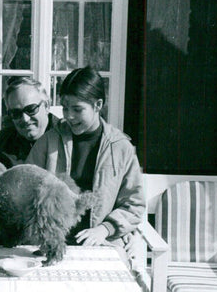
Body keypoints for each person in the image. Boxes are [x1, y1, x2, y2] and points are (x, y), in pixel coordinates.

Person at [25, 66, 146, 268]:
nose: (69, 116)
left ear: (98, 105)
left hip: (102, 246)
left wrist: (106, 229)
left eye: (77, 109)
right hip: (49, 247)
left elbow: (134, 204)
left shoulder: (120, 147)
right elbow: (27, 190)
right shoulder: (49, 142)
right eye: (65, 108)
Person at [0, 77, 61, 168]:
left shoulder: (68, 137)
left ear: (46, 106)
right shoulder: (0, 143)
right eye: (16, 113)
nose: (25, 119)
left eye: (30, 109)